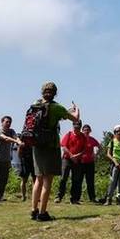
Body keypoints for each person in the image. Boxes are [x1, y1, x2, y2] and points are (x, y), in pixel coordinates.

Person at [30, 82, 80, 221]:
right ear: (55, 93)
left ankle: (33, 210)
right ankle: (43, 213)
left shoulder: (35, 104)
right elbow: (75, 119)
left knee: (38, 179)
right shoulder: (57, 107)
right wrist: (76, 110)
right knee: (47, 180)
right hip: (50, 145)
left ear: (42, 92)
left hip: (37, 144)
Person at [55, 121, 87, 204]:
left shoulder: (83, 136)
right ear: (73, 126)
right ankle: (59, 196)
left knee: (76, 180)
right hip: (67, 159)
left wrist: (77, 156)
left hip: (77, 160)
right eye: (75, 126)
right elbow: (64, 146)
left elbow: (84, 149)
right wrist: (71, 155)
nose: (76, 127)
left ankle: (74, 198)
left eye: (78, 126)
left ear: (80, 126)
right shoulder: (69, 134)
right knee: (63, 178)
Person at [81, 124, 101, 203]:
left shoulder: (92, 139)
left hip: (90, 163)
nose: (86, 131)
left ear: (90, 131)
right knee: (78, 181)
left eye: (88, 130)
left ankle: (92, 198)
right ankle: (76, 198)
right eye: (85, 130)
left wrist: (96, 155)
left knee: (90, 181)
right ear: (82, 131)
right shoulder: (80, 139)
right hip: (80, 163)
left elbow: (100, 147)